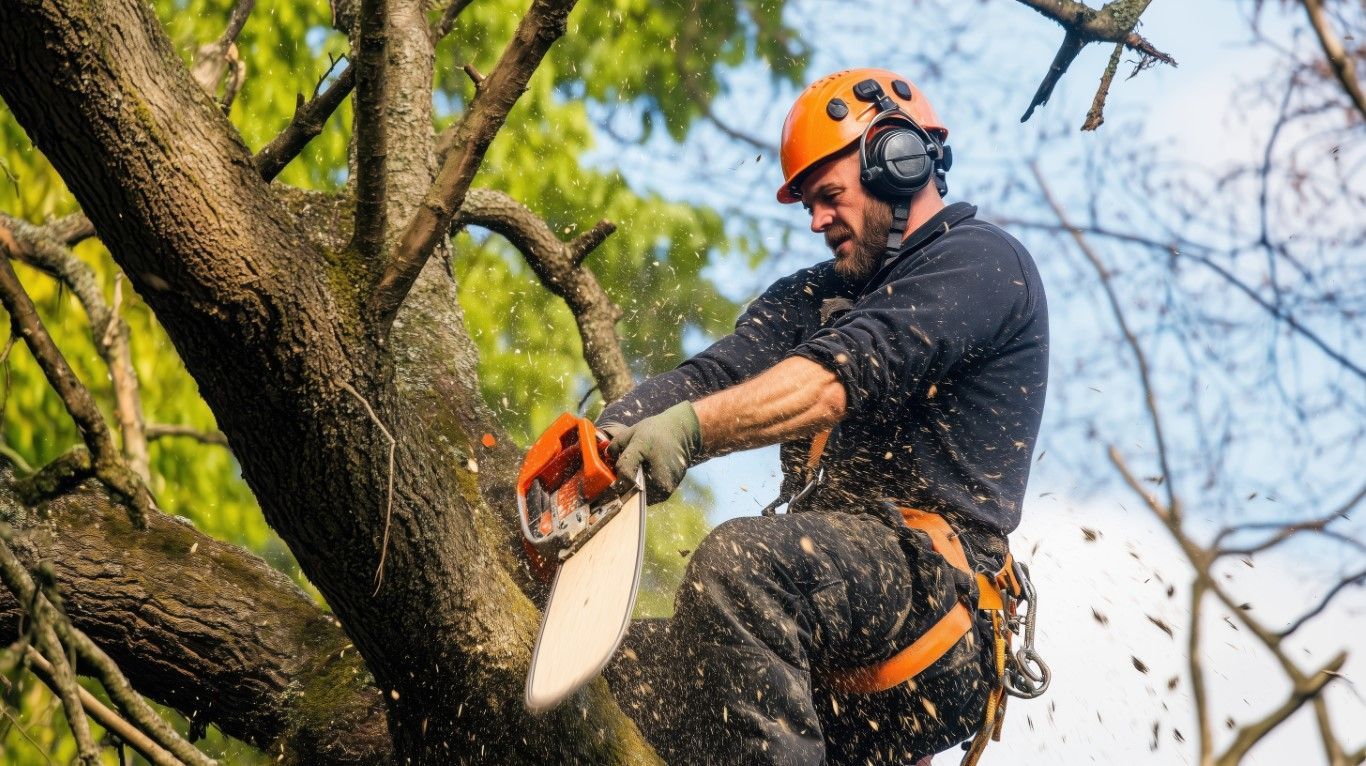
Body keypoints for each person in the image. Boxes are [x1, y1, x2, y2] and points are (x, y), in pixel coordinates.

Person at [599, 68, 1049, 765]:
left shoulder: (981, 264)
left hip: (933, 597)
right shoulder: (814, 293)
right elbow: (719, 374)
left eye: (830, 196)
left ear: (897, 164)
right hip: (822, 615)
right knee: (610, 675)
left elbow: (833, 381)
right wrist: (606, 440)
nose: (816, 221)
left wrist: (687, 432)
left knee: (739, 563)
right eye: (807, 204)